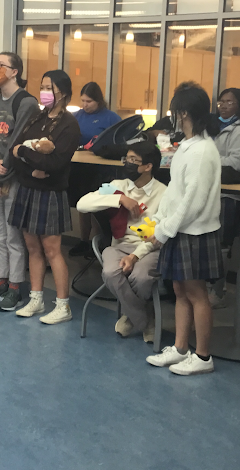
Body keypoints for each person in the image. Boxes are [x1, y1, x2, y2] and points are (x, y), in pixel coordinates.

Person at [145, 82, 223, 376]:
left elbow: (192, 201)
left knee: (196, 293)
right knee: (179, 290)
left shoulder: (202, 150)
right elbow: (175, 192)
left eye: (174, 111)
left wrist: (164, 230)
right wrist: (160, 223)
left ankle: (203, 356)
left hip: (195, 232)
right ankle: (180, 349)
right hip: (179, 231)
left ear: (184, 112)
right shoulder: (188, 145)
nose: (172, 117)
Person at [9, 69, 81, 324]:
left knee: (52, 250)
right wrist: (29, 163)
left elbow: (54, 163)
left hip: (50, 192)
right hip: (28, 187)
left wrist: (25, 154)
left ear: (63, 93)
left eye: (49, 88)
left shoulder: (69, 125)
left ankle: (63, 304)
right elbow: (14, 151)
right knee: (32, 247)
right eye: (42, 86)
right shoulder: (37, 117)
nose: (44, 92)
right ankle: (36, 298)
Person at [77, 141, 166, 341]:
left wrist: (135, 257)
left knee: (141, 277)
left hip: (149, 249)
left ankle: (130, 315)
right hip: (118, 246)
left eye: (134, 160)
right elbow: (82, 204)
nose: (127, 163)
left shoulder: (164, 193)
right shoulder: (118, 186)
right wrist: (119, 199)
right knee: (110, 272)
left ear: (148, 166)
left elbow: (160, 233)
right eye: (127, 158)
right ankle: (145, 320)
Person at [0, 52, 40, 311]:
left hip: (15, 179)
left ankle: (15, 287)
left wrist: (0, 175)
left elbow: (17, 142)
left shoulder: (26, 102)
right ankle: (0, 282)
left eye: (1, 65)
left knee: (14, 237)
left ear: (15, 72)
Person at [210, 87, 240, 308]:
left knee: (222, 245)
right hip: (211, 193)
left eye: (229, 102)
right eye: (221, 101)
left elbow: (237, 164)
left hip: (230, 197)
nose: (224, 105)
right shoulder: (214, 127)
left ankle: (218, 291)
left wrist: (208, 159)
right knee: (208, 243)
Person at [69, 82, 122, 257]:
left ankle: (99, 241)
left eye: (89, 101)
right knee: (82, 204)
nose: (85, 105)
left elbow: (119, 142)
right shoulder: (76, 116)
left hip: (103, 170)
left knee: (99, 207)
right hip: (80, 168)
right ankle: (84, 240)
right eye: (83, 101)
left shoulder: (111, 118)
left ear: (98, 101)